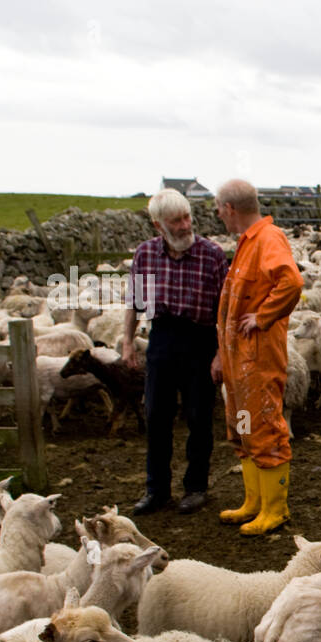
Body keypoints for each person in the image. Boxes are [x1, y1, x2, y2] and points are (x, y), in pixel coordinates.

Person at [124, 188, 228, 516]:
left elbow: (225, 310)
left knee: (199, 418)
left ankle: (196, 487)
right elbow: (135, 303)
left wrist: (221, 353)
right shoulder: (145, 254)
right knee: (156, 417)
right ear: (159, 225)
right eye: (176, 221)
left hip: (201, 339)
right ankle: (156, 490)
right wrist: (127, 342)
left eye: (187, 218)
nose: (184, 226)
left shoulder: (213, 255)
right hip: (163, 338)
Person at [211, 178, 303, 535]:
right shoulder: (247, 242)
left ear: (230, 208)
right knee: (244, 427)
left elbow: (291, 281)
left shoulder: (268, 238)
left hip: (258, 360)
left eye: (218, 208)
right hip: (239, 361)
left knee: (264, 428)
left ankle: (275, 509)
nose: (217, 214)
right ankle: (254, 502)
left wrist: (263, 316)